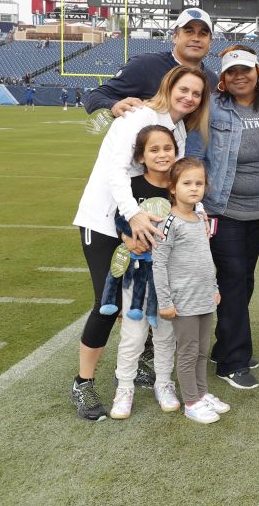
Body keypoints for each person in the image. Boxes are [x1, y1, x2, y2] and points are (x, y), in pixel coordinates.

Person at [69, 64, 211, 421]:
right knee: (109, 301)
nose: (189, 98)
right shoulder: (139, 116)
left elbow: (171, 180)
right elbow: (118, 171)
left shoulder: (177, 127)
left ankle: (144, 366)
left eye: (196, 93)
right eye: (184, 90)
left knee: (148, 294)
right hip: (105, 219)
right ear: (169, 85)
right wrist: (131, 218)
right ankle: (83, 382)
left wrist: (197, 211)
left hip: (143, 221)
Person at [186, 46, 259, 391]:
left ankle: (223, 344)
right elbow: (194, 155)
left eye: (245, 70)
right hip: (222, 210)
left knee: (244, 281)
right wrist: (195, 203)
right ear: (224, 79)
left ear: (257, 72)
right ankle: (233, 361)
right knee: (233, 279)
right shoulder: (213, 108)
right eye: (231, 72)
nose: (239, 76)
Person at [105, 125, 182, 420]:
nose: (162, 155)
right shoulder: (132, 187)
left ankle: (164, 383)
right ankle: (124, 387)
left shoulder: (179, 185)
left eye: (167, 148)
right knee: (133, 336)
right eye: (154, 149)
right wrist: (127, 239)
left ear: (176, 151)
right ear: (141, 155)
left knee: (165, 335)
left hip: (171, 276)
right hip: (136, 275)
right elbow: (118, 220)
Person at [152, 157, 229, 424]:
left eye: (199, 183)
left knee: (201, 350)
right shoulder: (169, 222)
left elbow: (206, 257)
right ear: (172, 187)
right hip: (182, 302)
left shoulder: (200, 217)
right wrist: (165, 301)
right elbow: (159, 263)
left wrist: (214, 287)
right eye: (187, 183)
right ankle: (191, 402)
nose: (194, 188)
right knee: (187, 351)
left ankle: (202, 393)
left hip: (204, 298)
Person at [84, 8, 217, 118]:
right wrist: (113, 105)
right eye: (189, 31)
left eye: (203, 34)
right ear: (175, 36)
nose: (196, 38)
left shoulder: (211, 79)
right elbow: (95, 97)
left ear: (210, 42)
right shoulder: (145, 65)